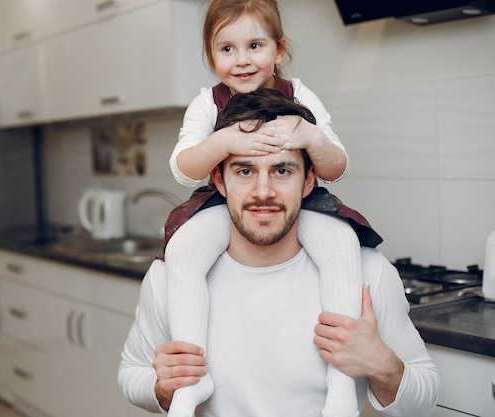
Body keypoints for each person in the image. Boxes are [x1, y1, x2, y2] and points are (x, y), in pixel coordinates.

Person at [118, 89, 440, 417]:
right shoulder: (172, 277)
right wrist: (162, 388)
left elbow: (425, 403)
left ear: (308, 180)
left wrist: (383, 366)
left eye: (282, 171)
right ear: (219, 180)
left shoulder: (368, 273)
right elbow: (132, 373)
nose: (263, 191)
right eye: (245, 172)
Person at [163, 1, 381, 416]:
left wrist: (310, 136)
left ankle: (340, 384)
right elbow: (183, 170)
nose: (241, 60)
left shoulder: (299, 94)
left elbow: (335, 168)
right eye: (226, 49)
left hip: (300, 200)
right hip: (223, 201)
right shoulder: (207, 104)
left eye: (255, 45)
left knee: (340, 243)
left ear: (278, 50)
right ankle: (192, 382)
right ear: (211, 56)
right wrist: (222, 143)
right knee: (184, 249)